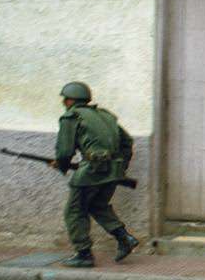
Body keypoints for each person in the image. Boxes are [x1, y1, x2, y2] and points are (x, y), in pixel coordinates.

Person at [51, 82, 139, 267]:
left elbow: (65, 152)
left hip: (91, 173)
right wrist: (120, 167)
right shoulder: (105, 116)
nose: (64, 103)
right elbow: (127, 142)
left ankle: (84, 254)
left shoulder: (71, 116)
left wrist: (61, 165)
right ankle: (125, 239)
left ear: (70, 100)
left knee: (75, 212)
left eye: (65, 99)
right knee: (97, 205)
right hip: (112, 172)